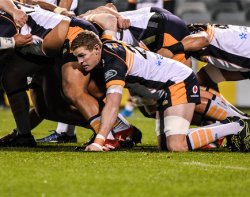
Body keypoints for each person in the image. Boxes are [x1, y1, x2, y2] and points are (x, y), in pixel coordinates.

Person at [71, 30, 250, 152]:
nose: (80, 62)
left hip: (178, 82)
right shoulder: (106, 46)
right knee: (164, 146)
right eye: (77, 57)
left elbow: (112, 105)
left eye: (82, 55)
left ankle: (236, 125)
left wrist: (100, 141)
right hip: (166, 87)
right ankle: (226, 126)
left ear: (96, 49)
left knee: (176, 145)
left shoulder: (113, 62)